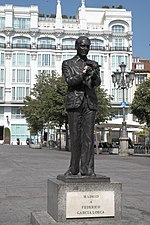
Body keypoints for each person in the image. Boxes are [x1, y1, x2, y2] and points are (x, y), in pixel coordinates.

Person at [62, 36, 101, 176]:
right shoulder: (68, 63)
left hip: (90, 102)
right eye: (83, 46)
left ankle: (88, 169)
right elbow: (70, 81)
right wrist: (83, 75)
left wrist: (95, 75)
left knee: (88, 137)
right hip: (74, 102)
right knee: (75, 137)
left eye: (87, 46)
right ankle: (74, 168)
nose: (85, 49)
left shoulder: (93, 64)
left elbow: (96, 84)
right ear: (76, 46)